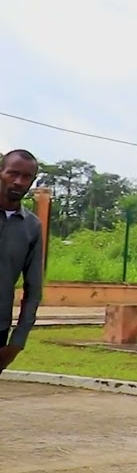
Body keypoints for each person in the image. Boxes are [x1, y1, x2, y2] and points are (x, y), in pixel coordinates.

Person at [0, 149, 43, 376]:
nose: (18, 181)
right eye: (13, 173)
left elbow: (34, 289)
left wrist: (17, 342)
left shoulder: (32, 227)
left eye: (26, 177)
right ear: (1, 172)